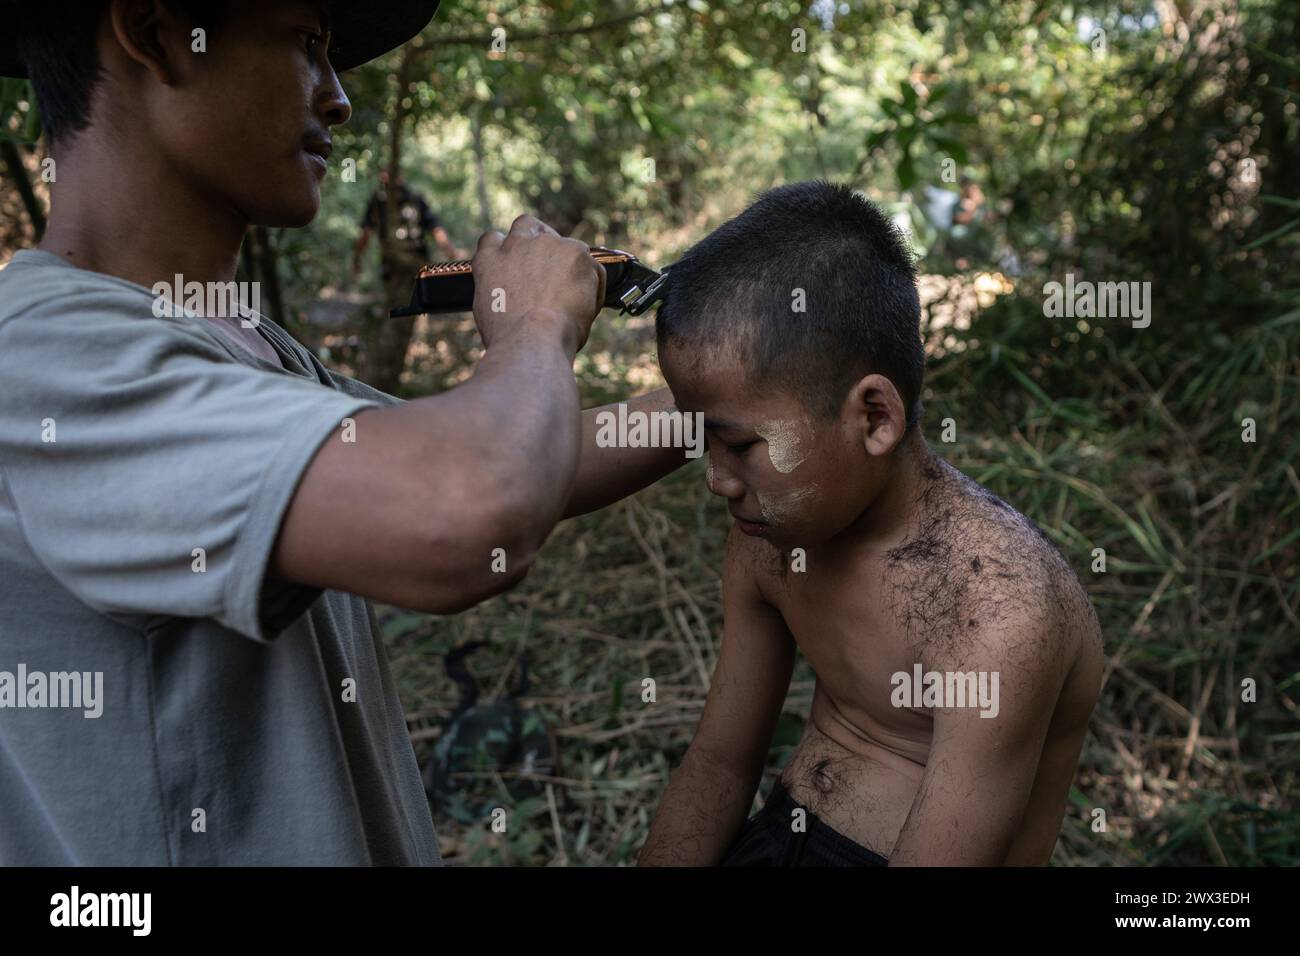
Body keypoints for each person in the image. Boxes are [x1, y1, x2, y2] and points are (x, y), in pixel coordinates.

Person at [0, 0, 687, 865]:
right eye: (307, 43)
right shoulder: (50, 352)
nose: (338, 99)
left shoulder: (240, 348)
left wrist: (722, 395)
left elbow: (534, 458)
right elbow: (470, 504)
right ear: (158, 34)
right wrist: (535, 327)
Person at [637, 181, 1104, 866]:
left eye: (738, 445)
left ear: (875, 418)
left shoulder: (998, 606)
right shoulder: (772, 541)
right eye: (700, 440)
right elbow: (721, 763)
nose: (716, 478)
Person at [350, 167, 461, 282]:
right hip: (396, 266)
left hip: (413, 263)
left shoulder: (414, 200)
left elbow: (435, 229)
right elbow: (366, 233)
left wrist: (450, 252)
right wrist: (357, 259)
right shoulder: (379, 202)